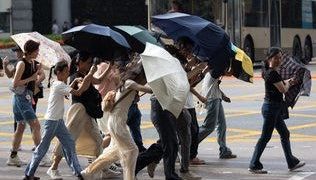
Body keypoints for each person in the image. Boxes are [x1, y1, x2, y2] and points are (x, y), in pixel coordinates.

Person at [81, 62, 153, 180]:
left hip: (116, 121)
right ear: (140, 76)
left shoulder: (126, 83)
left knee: (114, 151)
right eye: (145, 77)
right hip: (117, 122)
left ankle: (87, 172)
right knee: (132, 150)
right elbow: (147, 89)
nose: (145, 80)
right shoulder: (130, 83)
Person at [24, 60, 95, 180]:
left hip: (58, 121)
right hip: (52, 121)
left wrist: (74, 81)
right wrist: (89, 75)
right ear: (59, 72)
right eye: (66, 72)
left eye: (68, 72)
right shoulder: (58, 85)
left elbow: (67, 89)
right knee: (42, 149)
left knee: (69, 144)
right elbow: (78, 92)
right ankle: (29, 174)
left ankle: (78, 173)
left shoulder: (57, 83)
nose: (68, 74)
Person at [48, 52, 111, 179]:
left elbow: (98, 80)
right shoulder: (75, 76)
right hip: (78, 111)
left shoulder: (85, 74)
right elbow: (80, 90)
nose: (89, 65)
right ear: (80, 62)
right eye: (88, 63)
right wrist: (90, 74)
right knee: (68, 140)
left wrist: (110, 67)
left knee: (98, 139)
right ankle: (53, 167)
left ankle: (102, 168)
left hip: (87, 112)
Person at [248, 47, 305, 173]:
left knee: (285, 133)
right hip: (271, 108)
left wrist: (288, 81)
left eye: (280, 57)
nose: (279, 60)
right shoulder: (272, 73)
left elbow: (280, 83)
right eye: (276, 58)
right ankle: (254, 164)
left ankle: (291, 162)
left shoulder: (270, 71)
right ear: (269, 58)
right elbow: (283, 89)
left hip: (274, 108)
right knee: (265, 137)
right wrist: (290, 83)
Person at [7, 40, 49, 167]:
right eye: (36, 50)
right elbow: (15, 83)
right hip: (21, 98)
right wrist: (32, 78)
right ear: (31, 51)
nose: (38, 53)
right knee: (36, 126)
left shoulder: (31, 63)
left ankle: (13, 157)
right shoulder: (22, 63)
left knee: (20, 127)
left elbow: (35, 80)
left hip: (24, 98)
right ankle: (40, 157)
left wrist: (36, 73)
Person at [192, 71, 237, 159]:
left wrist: (223, 96)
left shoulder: (213, 72)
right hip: (212, 99)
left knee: (222, 125)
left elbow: (215, 87)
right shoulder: (214, 71)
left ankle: (223, 150)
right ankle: (189, 145)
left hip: (216, 98)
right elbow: (229, 73)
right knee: (209, 127)